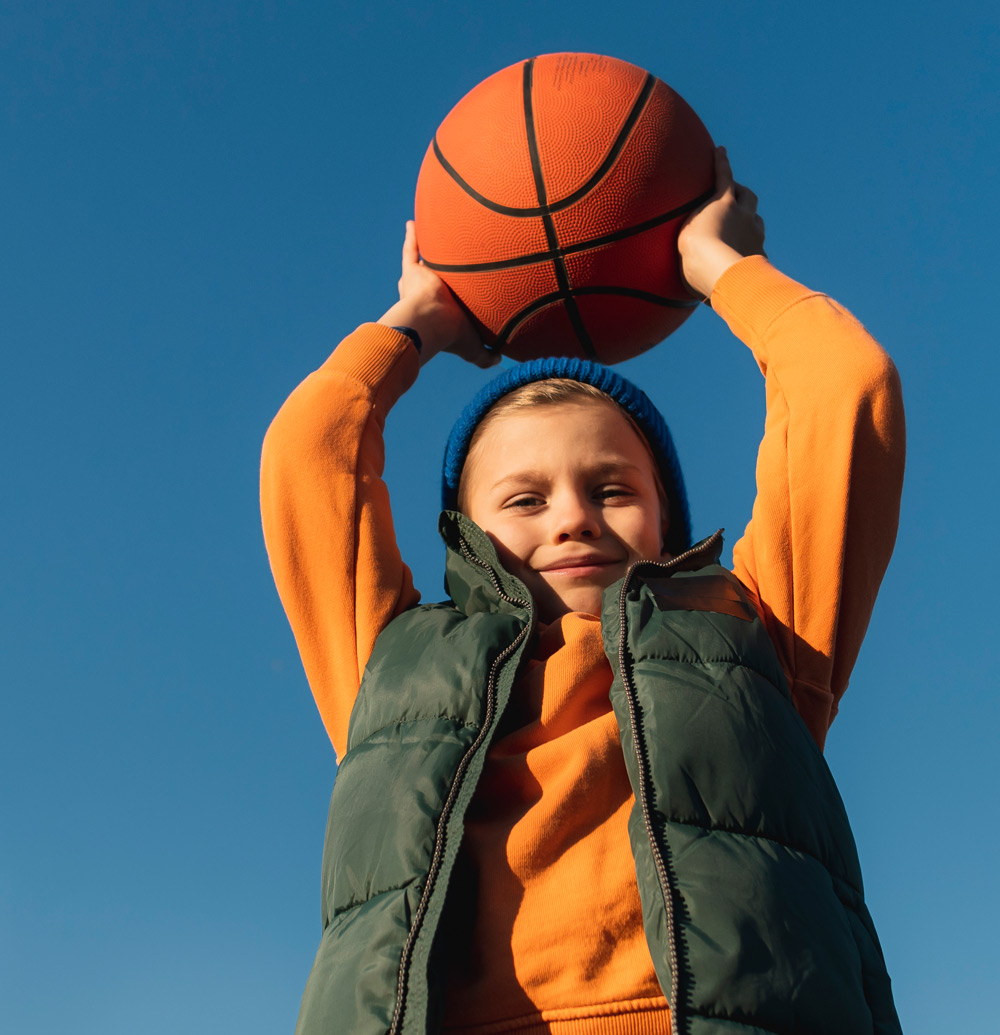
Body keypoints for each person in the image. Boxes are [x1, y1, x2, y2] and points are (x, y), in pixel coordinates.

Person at [260, 147, 906, 1035]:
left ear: (667, 520)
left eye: (612, 490)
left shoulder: (754, 636)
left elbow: (846, 388)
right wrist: (418, 322)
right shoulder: (392, 667)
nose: (572, 519)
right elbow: (310, 454)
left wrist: (722, 267)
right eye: (524, 499)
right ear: (467, 531)